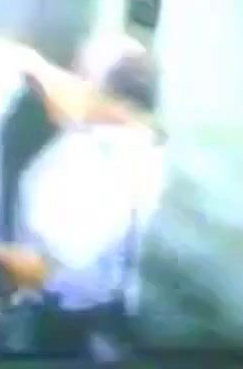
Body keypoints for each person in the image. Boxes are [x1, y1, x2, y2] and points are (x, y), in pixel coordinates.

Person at [16, 49, 165, 360]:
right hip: (80, 297)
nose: (74, 83)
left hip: (65, 305)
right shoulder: (129, 142)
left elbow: (68, 251)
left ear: (118, 101)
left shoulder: (109, 158)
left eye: (85, 79)